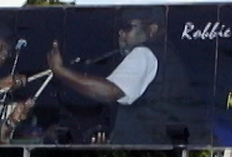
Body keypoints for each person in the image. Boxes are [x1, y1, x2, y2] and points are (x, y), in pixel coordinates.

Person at [47, 8, 172, 145]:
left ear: (152, 29)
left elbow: (109, 92)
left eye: (127, 27)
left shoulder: (143, 53)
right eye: (119, 28)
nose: (121, 33)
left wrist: (59, 70)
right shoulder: (168, 56)